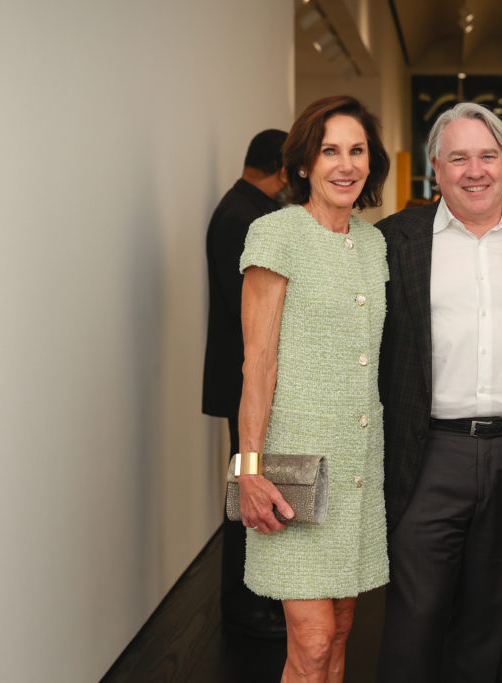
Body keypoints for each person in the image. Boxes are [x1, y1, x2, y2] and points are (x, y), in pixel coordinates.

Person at [375, 102, 502, 683]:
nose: (474, 170)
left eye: (488, 155)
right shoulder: (394, 240)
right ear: (436, 167)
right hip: (426, 454)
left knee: (490, 623)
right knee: (413, 622)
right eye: (458, 157)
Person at [235, 95, 390, 683]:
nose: (345, 164)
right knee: (315, 639)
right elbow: (257, 365)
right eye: (331, 151)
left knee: (343, 630)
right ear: (304, 163)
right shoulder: (275, 234)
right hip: (290, 469)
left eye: (357, 151)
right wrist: (249, 470)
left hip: (356, 467)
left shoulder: (374, 245)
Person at [201, 128, 288, 638]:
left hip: (242, 374)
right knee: (247, 488)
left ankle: (253, 598)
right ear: (282, 169)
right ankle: (244, 603)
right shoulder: (247, 216)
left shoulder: (239, 207)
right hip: (245, 377)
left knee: (250, 484)